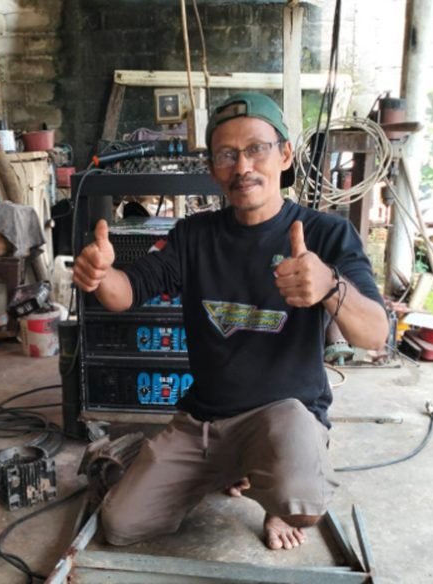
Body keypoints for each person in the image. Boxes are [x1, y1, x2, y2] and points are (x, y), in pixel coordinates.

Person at [72, 92, 389, 551]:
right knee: (121, 525)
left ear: (285, 154)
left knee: (301, 500)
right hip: (204, 423)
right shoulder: (193, 235)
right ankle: (223, 470)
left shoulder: (326, 234)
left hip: (282, 418)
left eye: (256, 149)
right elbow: (127, 292)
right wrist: (101, 275)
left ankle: (270, 488)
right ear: (212, 168)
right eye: (226, 154)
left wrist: (330, 286)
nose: (242, 167)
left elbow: (376, 334)